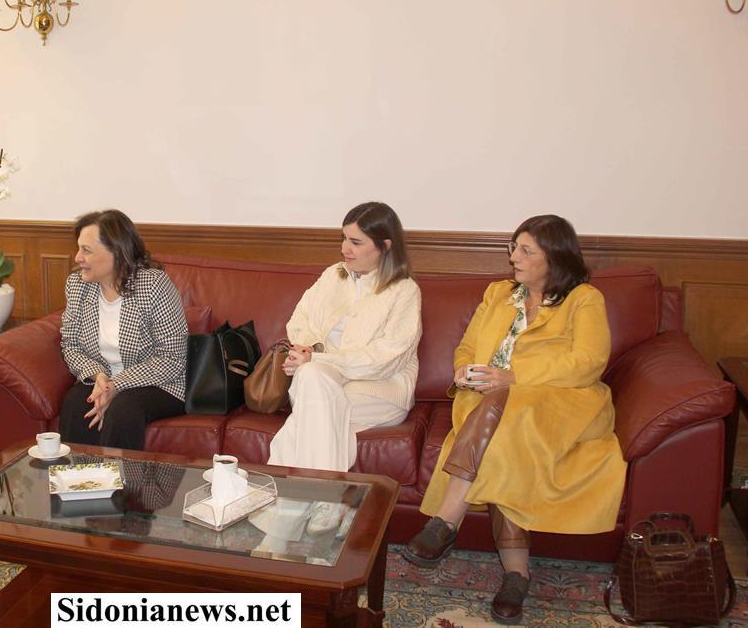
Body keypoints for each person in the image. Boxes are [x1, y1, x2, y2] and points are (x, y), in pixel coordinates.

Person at [404, 215, 625, 625]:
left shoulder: (584, 299)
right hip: (488, 400)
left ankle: (446, 521)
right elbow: (467, 346)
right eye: (513, 248)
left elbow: (588, 362)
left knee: (506, 418)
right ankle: (516, 575)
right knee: (503, 439)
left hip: (560, 403)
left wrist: (515, 377)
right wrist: (462, 370)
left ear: (554, 257)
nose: (513, 258)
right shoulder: (498, 294)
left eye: (525, 251)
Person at [268, 201, 422, 473]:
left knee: (311, 402)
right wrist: (310, 351)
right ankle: (320, 497)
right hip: (322, 379)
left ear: (385, 246)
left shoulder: (405, 291)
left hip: (379, 390)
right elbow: (299, 321)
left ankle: (285, 494)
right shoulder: (333, 275)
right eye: (344, 238)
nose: (344, 249)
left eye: (355, 242)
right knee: (313, 384)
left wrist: (318, 360)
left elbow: (385, 360)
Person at [58, 209, 188, 451]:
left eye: (86, 250)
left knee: (124, 409)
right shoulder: (77, 286)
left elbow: (172, 358)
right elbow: (70, 346)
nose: (77, 257)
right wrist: (98, 376)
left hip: (159, 383)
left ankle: (120, 477)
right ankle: (79, 474)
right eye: (78, 249)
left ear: (116, 252)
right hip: (102, 378)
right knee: (76, 403)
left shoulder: (153, 285)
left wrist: (116, 385)